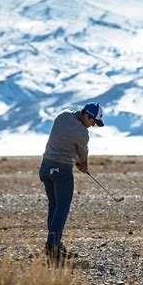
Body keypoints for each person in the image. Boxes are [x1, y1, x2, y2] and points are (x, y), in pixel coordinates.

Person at [39, 103, 104, 261]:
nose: (93, 125)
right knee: (61, 209)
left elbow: (64, 142)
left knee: (54, 207)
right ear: (87, 115)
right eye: (93, 122)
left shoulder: (63, 115)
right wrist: (83, 165)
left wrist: (76, 160)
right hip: (61, 172)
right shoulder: (82, 133)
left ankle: (55, 244)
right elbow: (82, 154)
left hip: (45, 168)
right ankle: (52, 248)